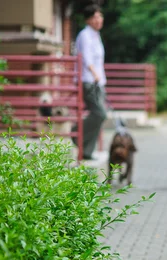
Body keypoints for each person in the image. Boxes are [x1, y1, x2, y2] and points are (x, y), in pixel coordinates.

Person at [75, 4, 107, 160]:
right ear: (88, 20)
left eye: (100, 16)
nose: (98, 20)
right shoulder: (85, 35)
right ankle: (76, 133)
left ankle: (87, 151)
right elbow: (86, 58)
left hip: (98, 82)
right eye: (95, 17)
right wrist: (95, 74)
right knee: (100, 114)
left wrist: (100, 79)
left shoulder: (96, 35)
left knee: (100, 116)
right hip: (88, 81)